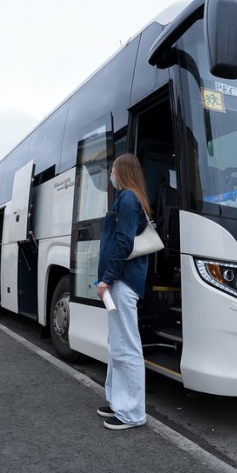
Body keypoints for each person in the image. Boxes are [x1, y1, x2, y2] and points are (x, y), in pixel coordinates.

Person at [95, 154, 152, 430]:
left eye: (114, 169)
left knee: (126, 347)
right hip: (119, 281)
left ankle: (132, 413)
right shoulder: (130, 198)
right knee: (117, 344)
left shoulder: (128, 199)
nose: (111, 174)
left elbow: (123, 243)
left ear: (123, 171)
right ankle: (119, 402)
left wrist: (107, 278)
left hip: (121, 281)